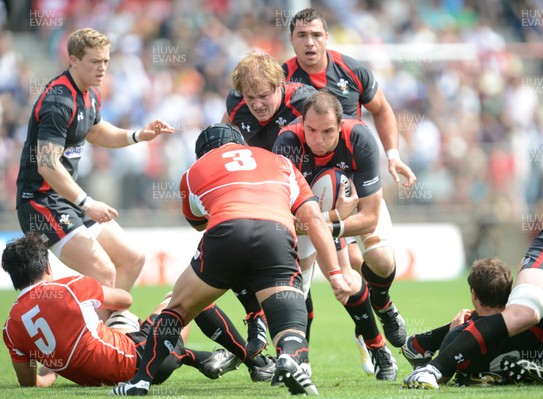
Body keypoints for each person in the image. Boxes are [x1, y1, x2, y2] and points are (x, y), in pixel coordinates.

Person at [110, 123, 351, 396]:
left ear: (202, 153)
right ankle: (289, 357)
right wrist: (336, 274)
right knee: (288, 316)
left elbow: (198, 222)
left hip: (227, 232)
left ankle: (139, 381)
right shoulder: (280, 161)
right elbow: (314, 218)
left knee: (176, 309)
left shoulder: (193, 172)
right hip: (275, 233)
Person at [14, 28, 174, 317]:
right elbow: (47, 165)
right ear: (73, 61)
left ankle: (100, 340)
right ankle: (76, 350)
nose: (102, 68)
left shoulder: (89, 95)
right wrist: (88, 203)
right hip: (39, 202)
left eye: (106, 62)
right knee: (103, 271)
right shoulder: (58, 102)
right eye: (94, 62)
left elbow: (97, 131)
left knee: (132, 259)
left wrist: (138, 135)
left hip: (65, 198)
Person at [283, 8, 415, 357]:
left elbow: (383, 109)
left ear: (327, 37)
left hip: (355, 182)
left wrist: (393, 154)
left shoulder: (352, 71)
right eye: (301, 36)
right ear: (292, 40)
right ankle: (315, 352)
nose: (309, 42)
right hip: (309, 191)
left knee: (380, 262)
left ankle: (382, 306)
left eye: (316, 35)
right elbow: (253, 114)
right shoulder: (280, 80)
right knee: (333, 272)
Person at [273, 91, 405, 380]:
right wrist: (331, 218)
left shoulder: (360, 138)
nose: (318, 139)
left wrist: (331, 224)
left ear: (341, 125)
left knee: (381, 261)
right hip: (312, 214)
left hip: (352, 210)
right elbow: (284, 216)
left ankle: (381, 308)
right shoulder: (287, 142)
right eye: (311, 130)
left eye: (328, 131)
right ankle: (299, 359)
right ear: (301, 123)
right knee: (299, 286)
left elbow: (369, 217)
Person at [1, 232, 232, 387]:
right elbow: (125, 300)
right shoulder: (70, 287)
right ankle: (254, 361)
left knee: (117, 328)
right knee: (180, 298)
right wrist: (97, 303)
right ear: (48, 266)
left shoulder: (10, 328)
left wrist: (50, 370)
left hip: (105, 377)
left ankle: (200, 358)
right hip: (148, 361)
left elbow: (30, 384)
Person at [403, 212, 543, 389]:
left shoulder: (462, 332)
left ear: (473, 294)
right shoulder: (536, 324)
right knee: (527, 313)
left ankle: (422, 345)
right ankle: (432, 367)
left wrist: (454, 332)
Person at [219, 51, 320, 358]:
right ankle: (258, 322)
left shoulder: (305, 102)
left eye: (264, 95)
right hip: (265, 194)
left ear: (280, 87)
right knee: (233, 253)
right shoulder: (235, 104)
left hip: (307, 191)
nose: (258, 104)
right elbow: (224, 143)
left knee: (301, 284)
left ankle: (369, 341)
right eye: (251, 97)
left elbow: (335, 133)